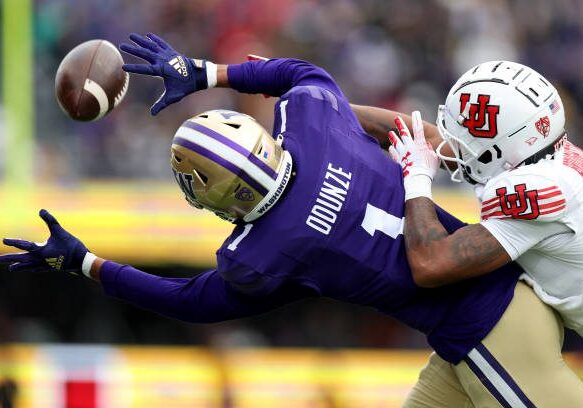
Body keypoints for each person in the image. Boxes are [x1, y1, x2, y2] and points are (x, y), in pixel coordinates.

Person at [1, 35, 582, 407]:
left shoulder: (265, 255)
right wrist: (207, 74)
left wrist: (88, 263)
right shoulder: (313, 119)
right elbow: (300, 74)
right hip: (477, 324)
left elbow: (188, 301)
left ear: (217, 204)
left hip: (493, 332)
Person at [388, 60, 583, 338]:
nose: (456, 141)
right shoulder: (543, 157)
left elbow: (430, 264)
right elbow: (428, 138)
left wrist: (417, 177)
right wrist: (333, 110)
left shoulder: (535, 190)